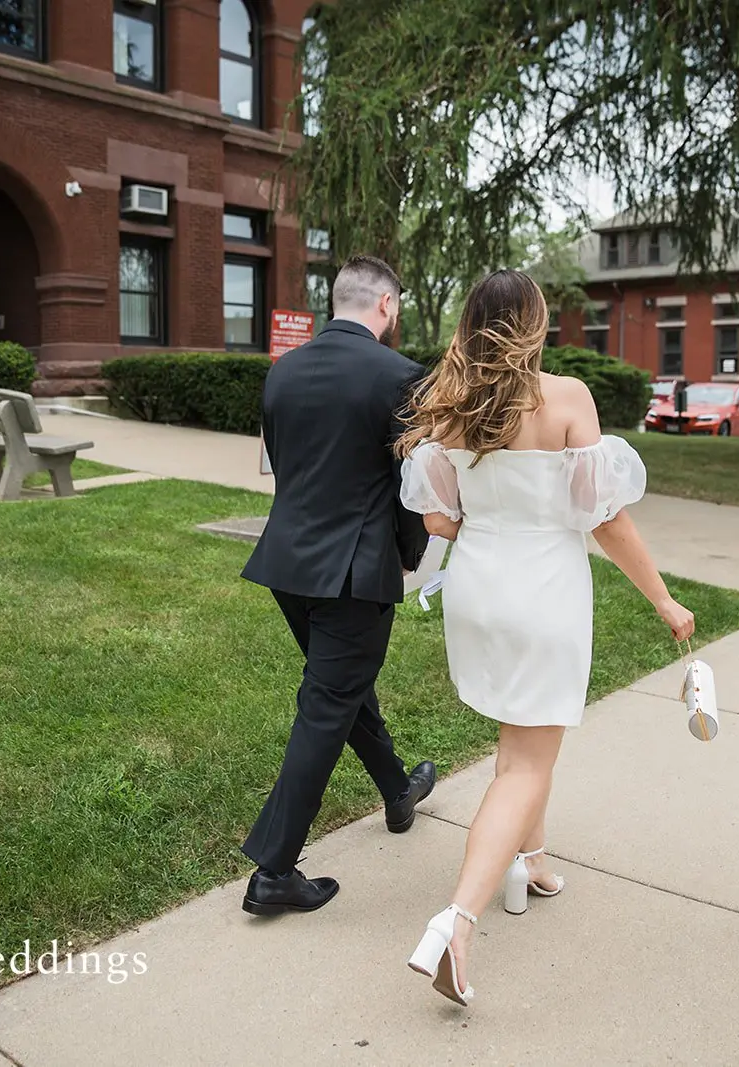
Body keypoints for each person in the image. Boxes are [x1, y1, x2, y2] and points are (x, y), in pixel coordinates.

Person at [396, 270, 695, 1004]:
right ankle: (456, 921)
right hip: (541, 590)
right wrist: (663, 599)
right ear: (533, 323)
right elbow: (605, 518)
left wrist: (489, 524)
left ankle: (528, 861)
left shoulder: (451, 403)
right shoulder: (566, 398)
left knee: (520, 732)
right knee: (527, 761)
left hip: (478, 589)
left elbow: (435, 518)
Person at [237, 254, 438, 917]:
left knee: (342, 689)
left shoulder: (283, 372)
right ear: (385, 305)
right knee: (326, 703)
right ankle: (273, 870)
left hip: (287, 563)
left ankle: (397, 790)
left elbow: (284, 463)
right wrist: (411, 554)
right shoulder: (402, 376)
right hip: (354, 568)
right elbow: (408, 487)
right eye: (398, 308)